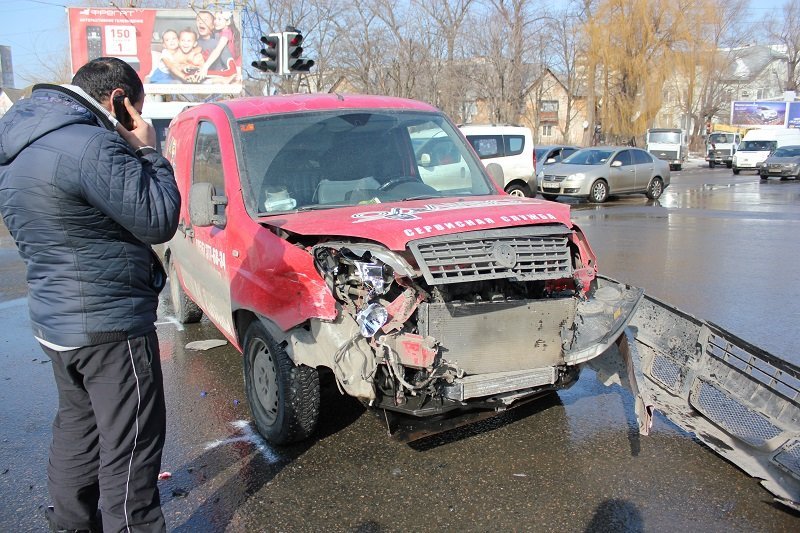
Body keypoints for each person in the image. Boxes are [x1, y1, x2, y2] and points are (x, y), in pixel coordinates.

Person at [0, 57, 179, 532]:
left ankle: (70, 524)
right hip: (110, 326)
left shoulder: (21, 144)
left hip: (56, 322)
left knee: (78, 433)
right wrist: (148, 150)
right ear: (120, 101)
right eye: (137, 108)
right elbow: (159, 219)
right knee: (131, 447)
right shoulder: (93, 144)